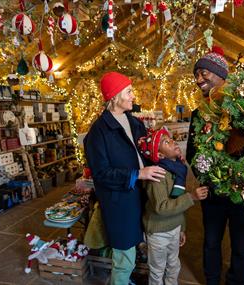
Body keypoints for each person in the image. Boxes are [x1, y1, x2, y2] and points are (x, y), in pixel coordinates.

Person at [84, 71, 166, 285]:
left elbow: (144, 152)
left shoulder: (134, 122)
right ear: (114, 96)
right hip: (119, 201)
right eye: (128, 91)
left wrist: (166, 155)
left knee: (132, 248)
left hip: (139, 195)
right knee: (124, 257)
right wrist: (137, 173)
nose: (133, 96)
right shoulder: (98, 133)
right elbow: (101, 173)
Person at [186, 47, 244, 285]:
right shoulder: (198, 115)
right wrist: (206, 174)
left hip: (243, 191)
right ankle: (212, 280)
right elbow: (191, 152)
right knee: (211, 241)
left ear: (220, 74)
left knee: (241, 245)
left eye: (203, 73)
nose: (198, 80)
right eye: (196, 75)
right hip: (213, 193)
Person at [138, 128, 209, 285]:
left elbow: (177, 202)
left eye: (170, 139)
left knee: (174, 265)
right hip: (159, 233)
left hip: (174, 229)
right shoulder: (158, 175)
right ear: (160, 155)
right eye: (166, 142)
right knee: (157, 270)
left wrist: (181, 227)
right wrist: (191, 197)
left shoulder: (177, 171)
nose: (172, 141)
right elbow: (162, 207)